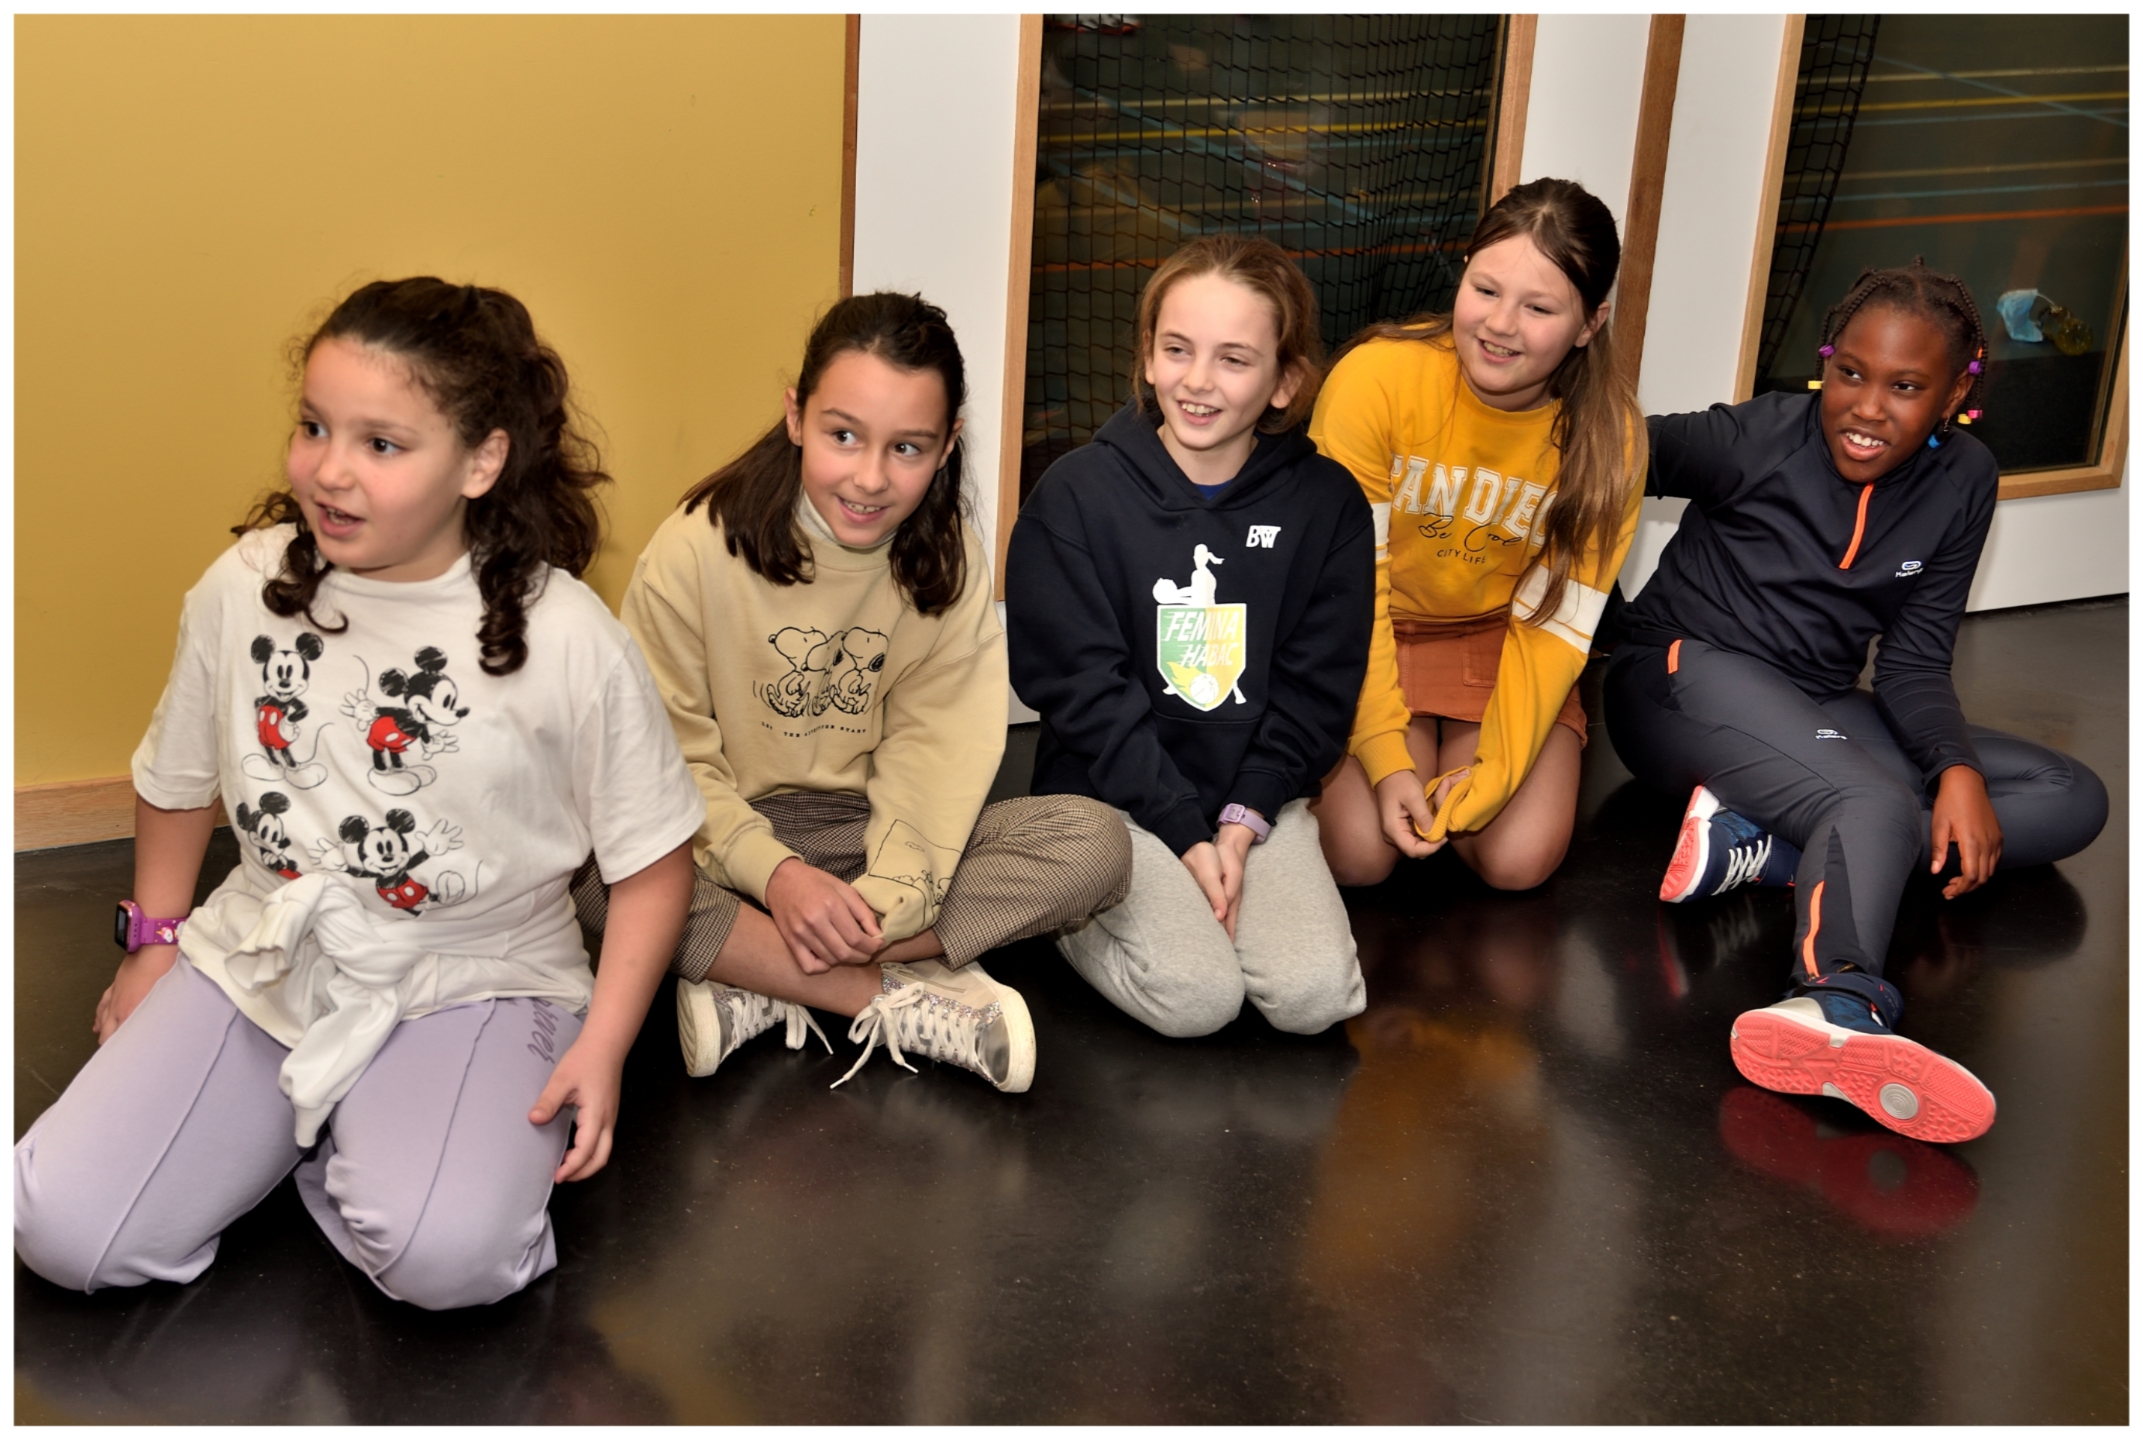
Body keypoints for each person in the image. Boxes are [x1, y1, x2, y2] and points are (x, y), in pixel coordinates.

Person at [15, 278, 704, 1309]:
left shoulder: (567, 637)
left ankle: (363, 1141)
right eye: (313, 427)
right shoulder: (243, 586)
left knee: (449, 1261)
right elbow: (176, 777)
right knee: (62, 1232)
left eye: (381, 443)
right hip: (270, 951)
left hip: (477, 974)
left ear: (481, 462)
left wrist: (604, 1047)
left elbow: (654, 864)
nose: (329, 470)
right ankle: (330, 1124)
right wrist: (153, 944)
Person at [573, 291, 1129, 1094]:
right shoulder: (693, 547)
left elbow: (934, 757)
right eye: (843, 436)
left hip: (870, 838)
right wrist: (775, 876)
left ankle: (754, 973)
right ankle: (881, 996)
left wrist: (887, 898)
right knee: (591, 863)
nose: (869, 478)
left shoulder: (950, 561)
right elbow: (664, 764)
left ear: (948, 445)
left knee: (1094, 844)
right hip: (721, 839)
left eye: (906, 448)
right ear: (795, 416)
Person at [1603, 260, 2108, 1143]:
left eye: (1905, 387)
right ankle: (1834, 1000)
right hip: (1679, 681)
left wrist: (1953, 768)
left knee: (2066, 795)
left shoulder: (1964, 480)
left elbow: (1911, 661)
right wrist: (1587, 623)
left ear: (1955, 393)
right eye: (1849, 373)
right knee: (1869, 801)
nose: (1866, 409)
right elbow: (1588, 457)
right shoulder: (1752, 437)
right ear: (1826, 363)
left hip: (1813, 704)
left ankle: (1771, 847)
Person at [1007, 234, 1374, 1038]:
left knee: (1316, 998)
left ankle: (1218, 883)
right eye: (1177, 350)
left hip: (1253, 799)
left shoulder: (1328, 506)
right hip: (1117, 802)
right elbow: (1083, 694)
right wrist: (1179, 829)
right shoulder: (1074, 496)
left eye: (1234, 360)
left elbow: (1317, 692)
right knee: (1195, 1001)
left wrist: (1242, 823)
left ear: (1285, 382)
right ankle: (1062, 910)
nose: (1198, 381)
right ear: (1146, 356)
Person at [1308, 177, 1647, 891]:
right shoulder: (1375, 380)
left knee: (1515, 859)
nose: (1500, 324)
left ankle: (1453, 762)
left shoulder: (1609, 438)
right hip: (1371, 633)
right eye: (1485, 290)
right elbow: (1345, 593)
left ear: (1590, 323)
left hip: (1499, 644)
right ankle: (1407, 751)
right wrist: (1384, 756)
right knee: (1361, 854)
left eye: (1539, 308)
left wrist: (1492, 778)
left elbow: (1555, 625)